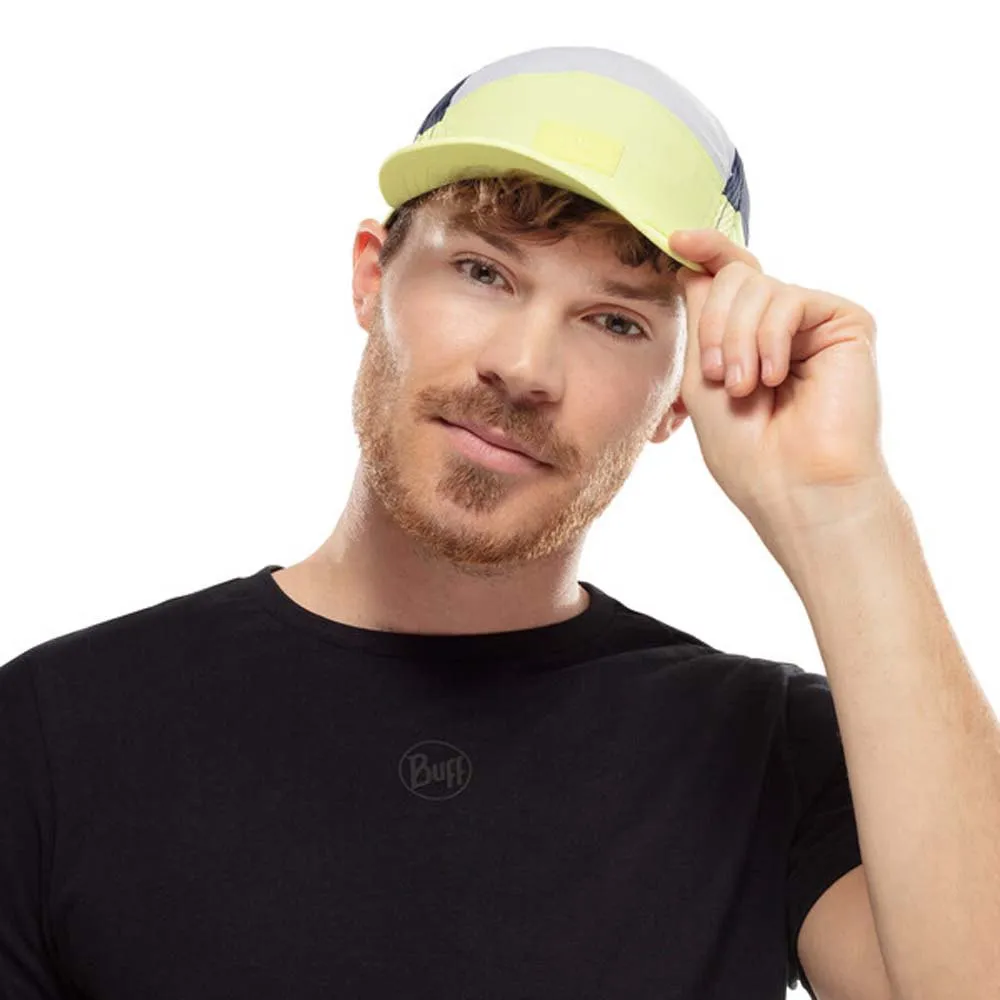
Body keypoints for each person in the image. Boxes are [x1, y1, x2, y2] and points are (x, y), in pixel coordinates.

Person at [0, 46, 861, 998]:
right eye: (483, 271)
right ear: (371, 278)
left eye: (616, 321)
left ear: (678, 397)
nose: (525, 368)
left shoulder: (770, 751)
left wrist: (841, 504)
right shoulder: (53, 730)